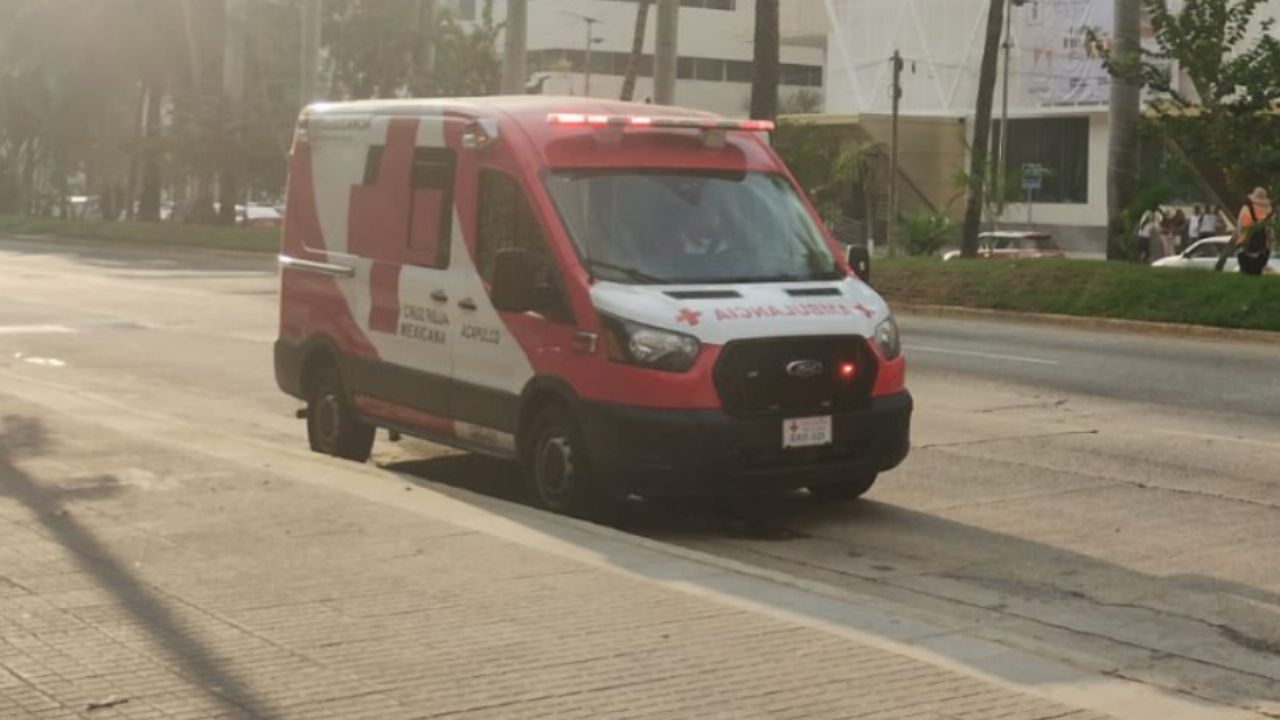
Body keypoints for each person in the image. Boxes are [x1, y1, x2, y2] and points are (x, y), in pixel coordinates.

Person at [1235, 188, 1273, 276]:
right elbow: (1270, 231)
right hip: (1262, 249)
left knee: (1245, 273)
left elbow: (1240, 227)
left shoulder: (1246, 209)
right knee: (1257, 273)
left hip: (1244, 247)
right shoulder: (1268, 211)